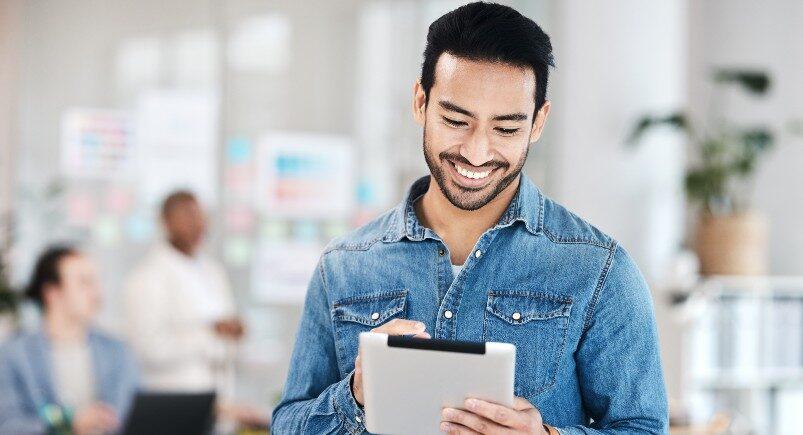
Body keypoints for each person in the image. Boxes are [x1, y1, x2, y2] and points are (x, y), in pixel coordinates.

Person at [272, 3, 668, 434]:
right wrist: (354, 395)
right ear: (421, 103)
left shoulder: (599, 270)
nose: (476, 153)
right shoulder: (344, 266)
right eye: (456, 120)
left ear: (538, 122)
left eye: (506, 129)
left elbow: (643, 428)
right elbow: (288, 424)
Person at [0, 246, 139, 435]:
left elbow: (131, 417)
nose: (96, 292)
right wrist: (68, 422)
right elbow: (8, 426)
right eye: (84, 283)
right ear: (52, 293)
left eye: (96, 282)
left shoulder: (117, 351)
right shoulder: (14, 355)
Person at [123, 190, 244, 394]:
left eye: (200, 216)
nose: (197, 224)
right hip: (174, 398)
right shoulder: (148, 276)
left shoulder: (214, 271)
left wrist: (233, 331)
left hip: (219, 397)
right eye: (187, 216)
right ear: (166, 223)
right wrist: (209, 333)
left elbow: (225, 337)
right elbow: (148, 349)